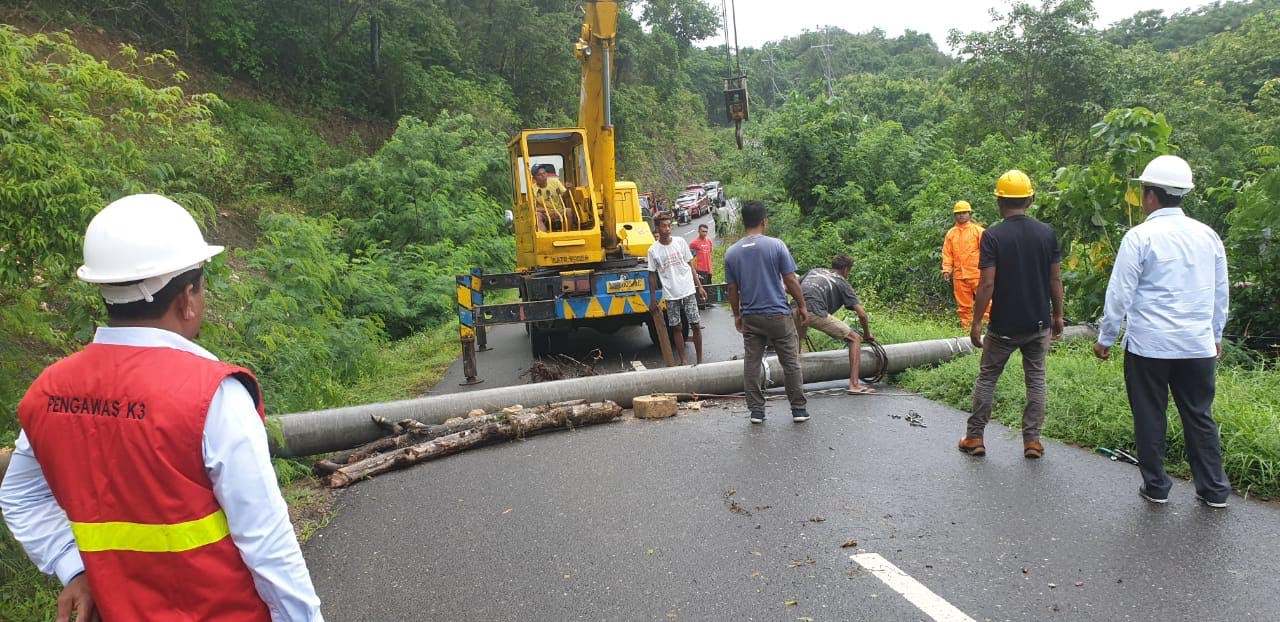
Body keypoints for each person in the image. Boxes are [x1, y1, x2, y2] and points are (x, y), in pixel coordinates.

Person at [0, 194, 324, 621]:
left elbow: (20, 494)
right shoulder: (212, 395)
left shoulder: (49, 392)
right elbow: (267, 541)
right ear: (187, 297)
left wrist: (72, 565)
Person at [1092, 155, 1232, 508]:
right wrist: (1215, 335)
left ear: (1151, 196)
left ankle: (1156, 487)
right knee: (1199, 415)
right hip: (1196, 344)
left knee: (1149, 414)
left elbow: (1120, 292)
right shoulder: (1208, 236)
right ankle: (1214, 489)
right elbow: (1220, 292)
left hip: (1149, 345)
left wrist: (1106, 337)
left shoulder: (1140, 236)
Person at [959, 170, 1064, 459]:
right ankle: (1032, 441)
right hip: (1038, 322)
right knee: (1036, 380)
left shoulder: (992, 235)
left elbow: (987, 283)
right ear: (1030, 200)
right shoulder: (1046, 233)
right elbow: (1055, 279)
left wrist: (976, 321)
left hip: (1003, 326)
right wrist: (1058, 315)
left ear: (999, 201)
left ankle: (975, 437)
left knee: (987, 378)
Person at [724, 200, 809, 424]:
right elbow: (790, 280)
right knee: (790, 362)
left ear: (743, 222)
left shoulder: (731, 253)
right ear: (764, 221)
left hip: (751, 317)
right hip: (778, 314)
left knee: (752, 364)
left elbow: (732, 289)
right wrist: (802, 306)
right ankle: (798, 409)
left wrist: (737, 315)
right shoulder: (776, 246)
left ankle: (756, 412)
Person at [794, 254, 876, 394]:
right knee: (855, 338)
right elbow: (862, 314)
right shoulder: (842, 282)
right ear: (845, 270)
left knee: (795, 347)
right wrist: (867, 335)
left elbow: (791, 286)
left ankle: (793, 385)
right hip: (814, 311)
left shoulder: (815, 271)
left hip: (794, 309)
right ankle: (854, 385)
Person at [647, 213, 708, 365]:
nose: (667, 229)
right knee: (676, 327)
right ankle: (683, 361)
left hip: (688, 290)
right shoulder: (653, 251)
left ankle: (700, 361)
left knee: (695, 324)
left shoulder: (680, 242)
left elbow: (690, 265)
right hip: (671, 294)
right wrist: (653, 298)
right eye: (664, 226)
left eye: (669, 225)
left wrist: (699, 287)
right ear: (657, 228)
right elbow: (652, 275)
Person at [941, 200, 989, 328]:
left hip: (977, 274)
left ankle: (986, 327)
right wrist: (946, 270)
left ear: (970, 214)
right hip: (959, 276)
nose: (961, 215)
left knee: (986, 302)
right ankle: (966, 329)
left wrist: (988, 271)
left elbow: (987, 253)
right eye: (958, 213)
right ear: (954, 215)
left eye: (964, 212)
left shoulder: (978, 231)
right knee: (963, 306)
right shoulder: (951, 233)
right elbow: (947, 253)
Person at [532, 164, 578, 232]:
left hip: (558, 210)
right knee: (537, 215)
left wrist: (568, 189)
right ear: (534, 178)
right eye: (539, 175)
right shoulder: (532, 189)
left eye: (544, 173)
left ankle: (566, 234)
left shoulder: (555, 182)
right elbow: (532, 208)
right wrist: (546, 210)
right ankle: (544, 236)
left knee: (569, 211)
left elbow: (565, 195)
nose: (543, 176)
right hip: (545, 213)